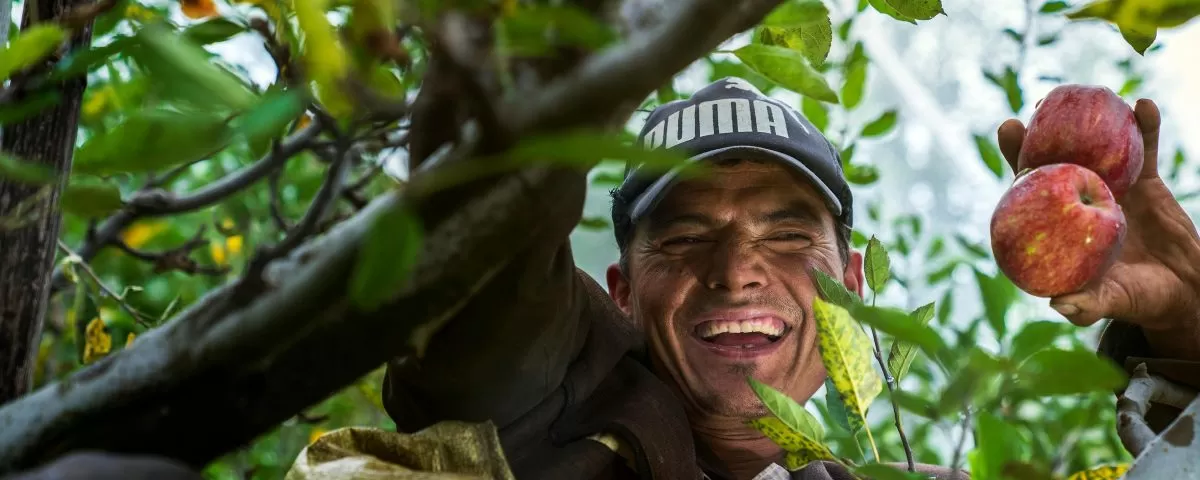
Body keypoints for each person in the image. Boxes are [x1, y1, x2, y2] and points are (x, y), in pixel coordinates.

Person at [378, 76, 1200, 479]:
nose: (737, 273)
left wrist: (1189, 332)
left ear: (850, 284)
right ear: (621, 294)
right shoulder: (540, 425)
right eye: (686, 237)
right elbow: (481, 236)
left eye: (786, 234)